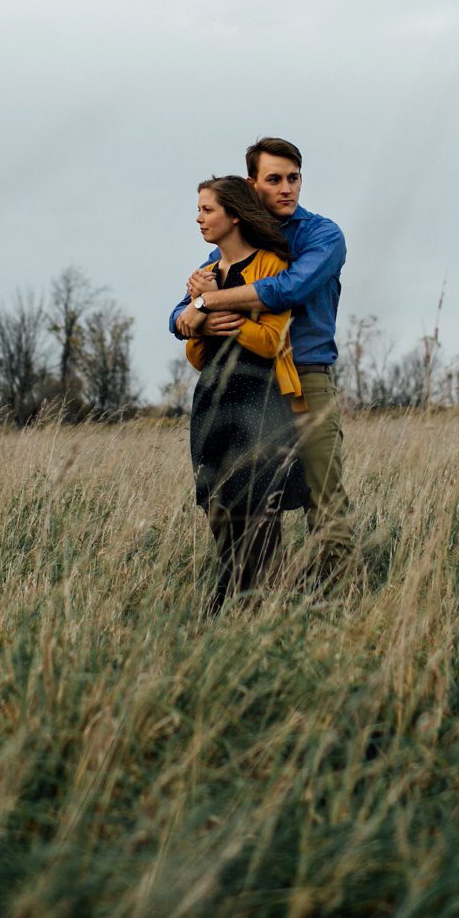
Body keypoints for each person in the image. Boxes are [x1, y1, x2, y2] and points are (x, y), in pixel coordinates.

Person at [170, 137, 355, 581]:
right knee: (244, 497)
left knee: (321, 493)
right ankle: (261, 595)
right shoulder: (229, 249)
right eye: (274, 180)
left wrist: (211, 302)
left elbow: (288, 289)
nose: (287, 188)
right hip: (244, 385)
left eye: (294, 179)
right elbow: (178, 314)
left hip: (303, 378)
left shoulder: (321, 235)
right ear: (253, 186)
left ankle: (345, 603)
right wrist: (197, 311)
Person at [181, 175, 311, 614]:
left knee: (258, 509)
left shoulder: (270, 265)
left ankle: (258, 609)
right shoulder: (204, 275)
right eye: (198, 209)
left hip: (259, 398)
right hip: (213, 399)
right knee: (216, 504)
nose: (198, 218)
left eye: (207, 209)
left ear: (234, 215)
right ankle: (240, 600)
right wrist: (200, 317)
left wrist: (220, 305)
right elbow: (196, 352)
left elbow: (273, 341)